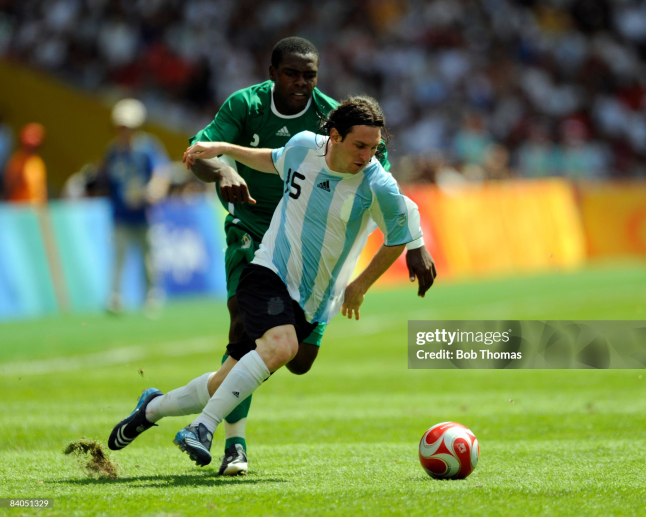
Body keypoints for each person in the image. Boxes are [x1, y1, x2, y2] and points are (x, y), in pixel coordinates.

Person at [108, 96, 424, 470]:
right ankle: (203, 429)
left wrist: (360, 286)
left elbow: (398, 236)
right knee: (282, 345)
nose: (367, 155)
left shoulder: (378, 184)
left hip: (313, 299)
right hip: (268, 271)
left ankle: (153, 408)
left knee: (224, 383)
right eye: (360, 145)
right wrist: (223, 150)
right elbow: (270, 158)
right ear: (335, 137)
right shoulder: (305, 145)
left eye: (374, 147)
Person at [185, 36, 436, 475]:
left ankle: (158, 408)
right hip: (255, 232)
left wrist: (413, 243)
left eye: (310, 75)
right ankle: (229, 442)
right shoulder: (246, 105)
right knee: (246, 330)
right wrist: (224, 165)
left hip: (316, 253)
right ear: (272, 74)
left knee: (297, 359)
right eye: (291, 74)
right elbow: (202, 152)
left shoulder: (339, 120)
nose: (301, 83)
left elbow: (389, 195)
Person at [94, 98, 170, 314]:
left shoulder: (147, 147)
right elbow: (105, 178)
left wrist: (154, 190)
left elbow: (160, 172)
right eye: (120, 126)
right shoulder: (113, 151)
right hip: (120, 213)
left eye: (126, 126)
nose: (123, 130)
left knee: (149, 259)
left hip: (145, 214)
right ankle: (115, 298)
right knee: (118, 258)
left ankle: (152, 297)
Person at [3, 123, 47, 204]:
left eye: (37, 136)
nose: (34, 139)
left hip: (32, 211)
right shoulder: (16, 162)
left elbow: (40, 193)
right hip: (16, 210)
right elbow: (9, 189)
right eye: (31, 135)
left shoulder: (37, 163)